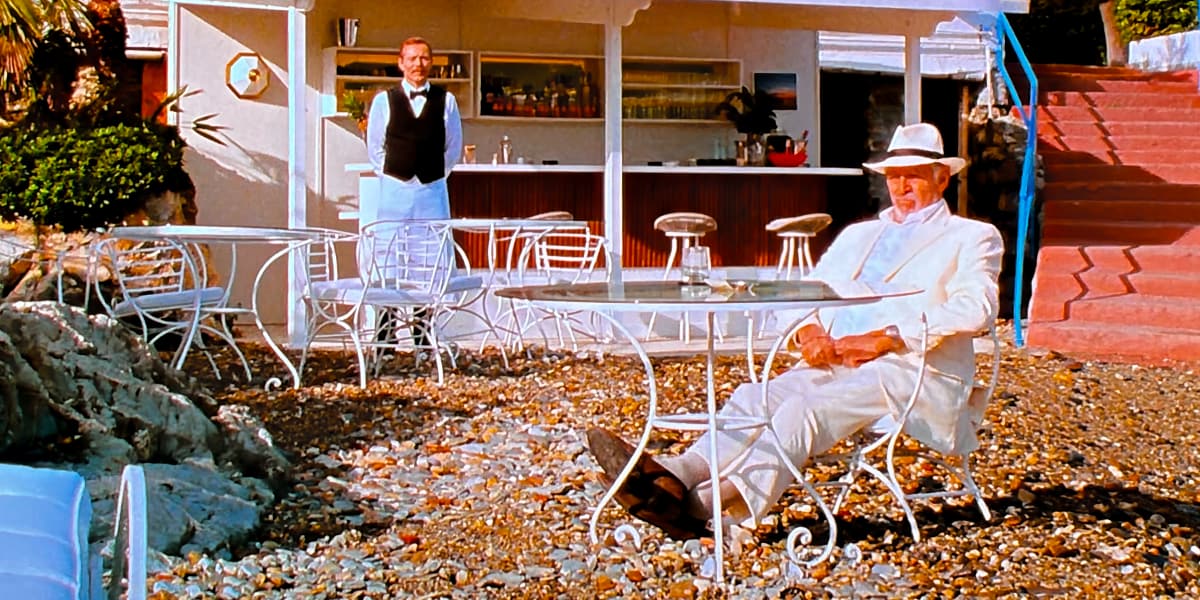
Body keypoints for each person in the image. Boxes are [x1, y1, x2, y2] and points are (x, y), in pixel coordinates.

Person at [587, 122, 1004, 540]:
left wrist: (889, 337)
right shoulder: (861, 235)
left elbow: (978, 308)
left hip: (912, 369)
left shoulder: (972, 236)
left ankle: (705, 507)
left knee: (803, 413)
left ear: (942, 178)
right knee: (755, 397)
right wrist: (808, 332)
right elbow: (811, 292)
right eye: (894, 176)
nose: (901, 185)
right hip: (840, 361)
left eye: (912, 175)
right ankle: (678, 474)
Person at [364, 37, 463, 349]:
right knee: (388, 258)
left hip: (432, 190)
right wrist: (396, 174)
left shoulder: (446, 101)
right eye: (412, 58)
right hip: (394, 190)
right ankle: (385, 332)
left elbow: (453, 148)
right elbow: (375, 147)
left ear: (431, 63)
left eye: (424, 58)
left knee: (428, 260)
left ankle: (423, 331)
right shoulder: (385, 100)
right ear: (400, 62)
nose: (418, 64)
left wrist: (432, 177)